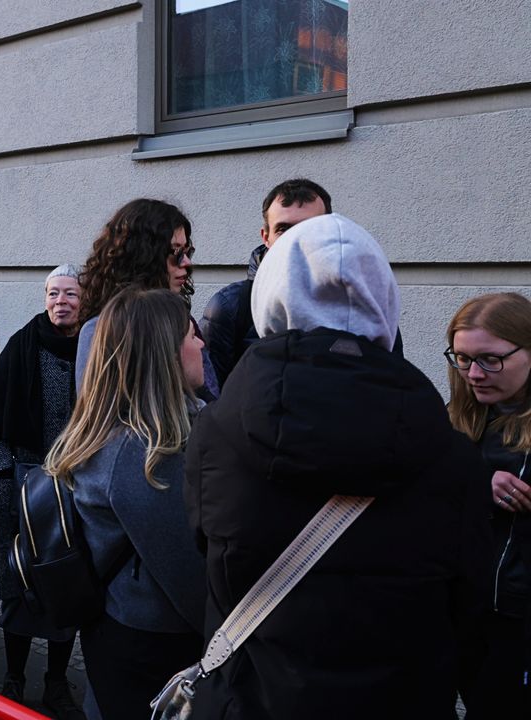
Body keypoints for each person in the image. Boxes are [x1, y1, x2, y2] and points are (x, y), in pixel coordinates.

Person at [185, 214, 491, 719]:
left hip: (255, 699)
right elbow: (469, 611)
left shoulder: (216, 434)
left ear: (272, 299)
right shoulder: (453, 454)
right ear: (384, 303)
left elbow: (210, 560)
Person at [41, 287, 206, 719]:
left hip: (121, 629)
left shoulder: (124, 435)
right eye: (192, 334)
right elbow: (189, 577)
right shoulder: (144, 455)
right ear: (164, 353)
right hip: (152, 643)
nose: (202, 344)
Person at [0, 264, 85, 718]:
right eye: (54, 293)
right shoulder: (20, 347)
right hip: (22, 481)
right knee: (17, 581)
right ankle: (14, 676)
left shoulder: (95, 349)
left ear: (84, 300)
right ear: (44, 297)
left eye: (71, 294)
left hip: (78, 484)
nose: (61, 301)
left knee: (68, 582)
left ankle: (56, 681)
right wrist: (3, 479)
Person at [445, 292, 531, 718]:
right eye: (461, 359)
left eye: (490, 359)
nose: (473, 374)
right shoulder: (455, 419)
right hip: (466, 617)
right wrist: (477, 481)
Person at [75, 198, 218, 401]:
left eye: (187, 252)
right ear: (143, 257)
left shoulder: (183, 324)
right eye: (176, 252)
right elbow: (103, 421)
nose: (186, 262)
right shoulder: (102, 331)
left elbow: (210, 398)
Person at [199, 179, 331, 388]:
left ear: (330, 233)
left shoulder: (360, 303)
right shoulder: (229, 307)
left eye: (308, 228)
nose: (294, 240)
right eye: (283, 229)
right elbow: (212, 403)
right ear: (265, 237)